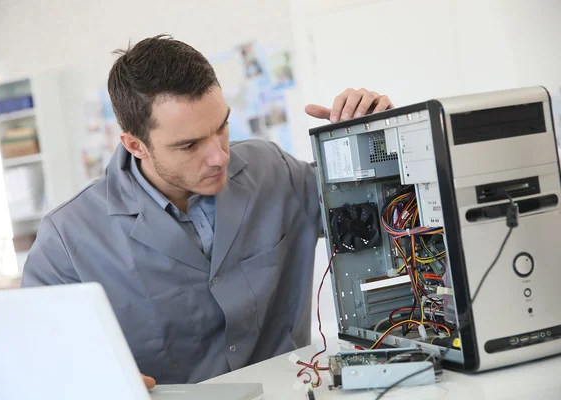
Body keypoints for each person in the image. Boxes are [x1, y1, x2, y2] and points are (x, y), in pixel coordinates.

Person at [21, 34, 393, 389]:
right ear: (135, 145)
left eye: (222, 127)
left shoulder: (272, 170)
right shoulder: (68, 239)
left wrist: (376, 137)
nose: (219, 157)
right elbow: (35, 362)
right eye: (189, 145)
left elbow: (387, 217)